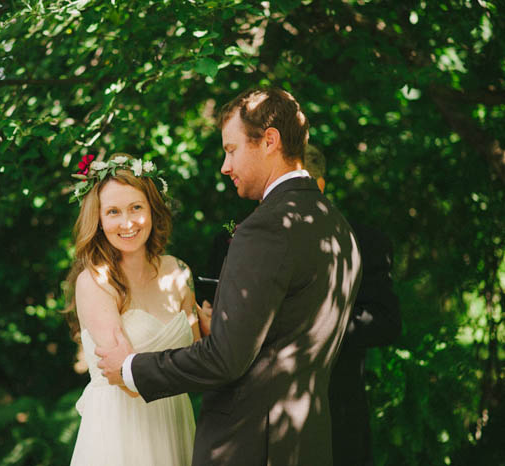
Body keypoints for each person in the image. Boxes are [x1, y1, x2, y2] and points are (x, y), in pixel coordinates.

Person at [96, 88, 363, 465]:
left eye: (232, 149)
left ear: (269, 140)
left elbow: (226, 360)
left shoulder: (267, 229)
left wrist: (132, 367)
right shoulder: (336, 225)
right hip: (305, 444)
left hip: (250, 446)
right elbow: (282, 335)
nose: (225, 165)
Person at [64, 153, 208, 466]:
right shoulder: (95, 282)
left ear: (152, 210)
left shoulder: (178, 272)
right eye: (113, 212)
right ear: (99, 219)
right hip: (120, 431)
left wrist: (213, 330)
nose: (127, 223)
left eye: (136, 208)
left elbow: (202, 362)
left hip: (174, 420)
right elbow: (125, 379)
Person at [304, 144, 401, 466]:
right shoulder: (238, 240)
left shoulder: (364, 242)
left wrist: (313, 324)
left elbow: (386, 321)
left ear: (319, 185)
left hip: (338, 410)